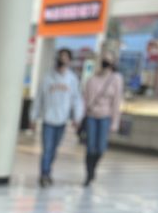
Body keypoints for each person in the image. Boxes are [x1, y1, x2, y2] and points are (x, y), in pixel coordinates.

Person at [31, 48, 83, 187]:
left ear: (69, 60)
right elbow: (39, 99)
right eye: (61, 57)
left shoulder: (72, 79)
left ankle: (48, 171)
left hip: (62, 121)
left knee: (53, 149)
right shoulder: (47, 78)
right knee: (47, 149)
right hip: (48, 120)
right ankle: (44, 174)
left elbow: (76, 100)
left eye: (66, 57)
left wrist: (77, 117)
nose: (63, 60)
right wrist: (33, 117)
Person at [82, 51, 124, 186]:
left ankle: (93, 167)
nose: (106, 62)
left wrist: (115, 122)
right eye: (104, 59)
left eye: (109, 60)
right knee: (90, 147)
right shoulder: (92, 80)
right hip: (91, 116)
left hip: (105, 117)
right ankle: (89, 174)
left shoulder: (116, 79)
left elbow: (117, 102)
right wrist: (80, 118)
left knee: (101, 148)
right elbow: (85, 100)